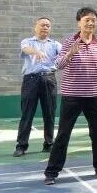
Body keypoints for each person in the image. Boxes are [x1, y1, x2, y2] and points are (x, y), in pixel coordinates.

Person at [43, 7, 97, 185]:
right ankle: (51, 172)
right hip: (72, 96)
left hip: (95, 96)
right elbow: (59, 65)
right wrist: (70, 53)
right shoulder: (69, 42)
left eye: (93, 20)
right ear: (79, 22)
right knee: (63, 134)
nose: (90, 23)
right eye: (87, 20)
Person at [14, 17, 62, 157]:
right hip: (31, 80)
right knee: (27, 113)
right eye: (42, 25)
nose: (45, 27)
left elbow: (64, 55)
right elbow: (26, 49)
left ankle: (49, 143)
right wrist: (36, 52)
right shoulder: (27, 41)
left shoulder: (55, 44)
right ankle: (21, 145)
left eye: (48, 26)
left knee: (49, 113)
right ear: (35, 27)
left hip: (49, 79)